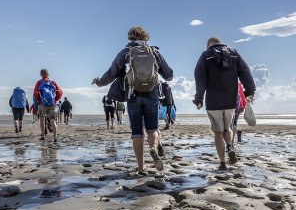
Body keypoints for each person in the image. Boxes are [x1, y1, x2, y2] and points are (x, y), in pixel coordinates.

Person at [92, 26, 173, 172]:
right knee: (152, 129)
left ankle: (141, 167)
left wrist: (98, 81)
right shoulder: (154, 52)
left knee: (137, 132)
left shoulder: (125, 53)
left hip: (132, 95)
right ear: (145, 37)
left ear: (130, 37)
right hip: (152, 94)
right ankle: (153, 148)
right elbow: (169, 74)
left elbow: (111, 74)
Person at [193, 37, 256, 171]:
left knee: (217, 132)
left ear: (208, 45)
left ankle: (222, 163)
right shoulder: (233, 53)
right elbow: (245, 72)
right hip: (230, 100)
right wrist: (249, 91)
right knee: (227, 129)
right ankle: (229, 146)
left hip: (213, 101)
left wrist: (198, 99)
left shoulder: (205, 55)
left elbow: (200, 78)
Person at [33, 69, 63, 142]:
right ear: (48, 74)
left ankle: (43, 135)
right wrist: (55, 100)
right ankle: (55, 136)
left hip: (42, 104)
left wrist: (39, 101)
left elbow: (35, 93)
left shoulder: (39, 82)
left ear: (41, 75)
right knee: (53, 120)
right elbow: (60, 92)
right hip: (52, 104)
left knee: (42, 119)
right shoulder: (53, 82)